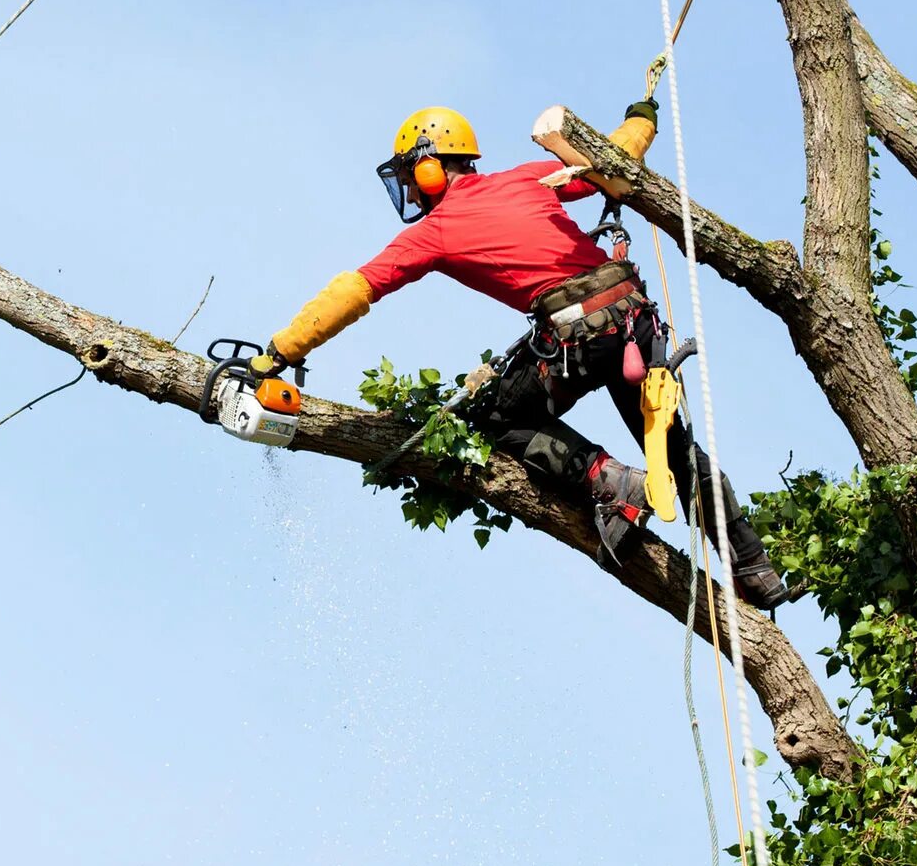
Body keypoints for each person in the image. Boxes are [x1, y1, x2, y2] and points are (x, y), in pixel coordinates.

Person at [258, 105, 797, 609]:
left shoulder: (436, 230)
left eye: (410, 178)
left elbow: (356, 289)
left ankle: (609, 480)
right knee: (675, 449)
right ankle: (754, 569)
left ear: (428, 169)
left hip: (577, 335)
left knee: (493, 418)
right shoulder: (525, 177)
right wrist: (641, 118)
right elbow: (613, 156)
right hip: (631, 322)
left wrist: (281, 350)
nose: (411, 193)